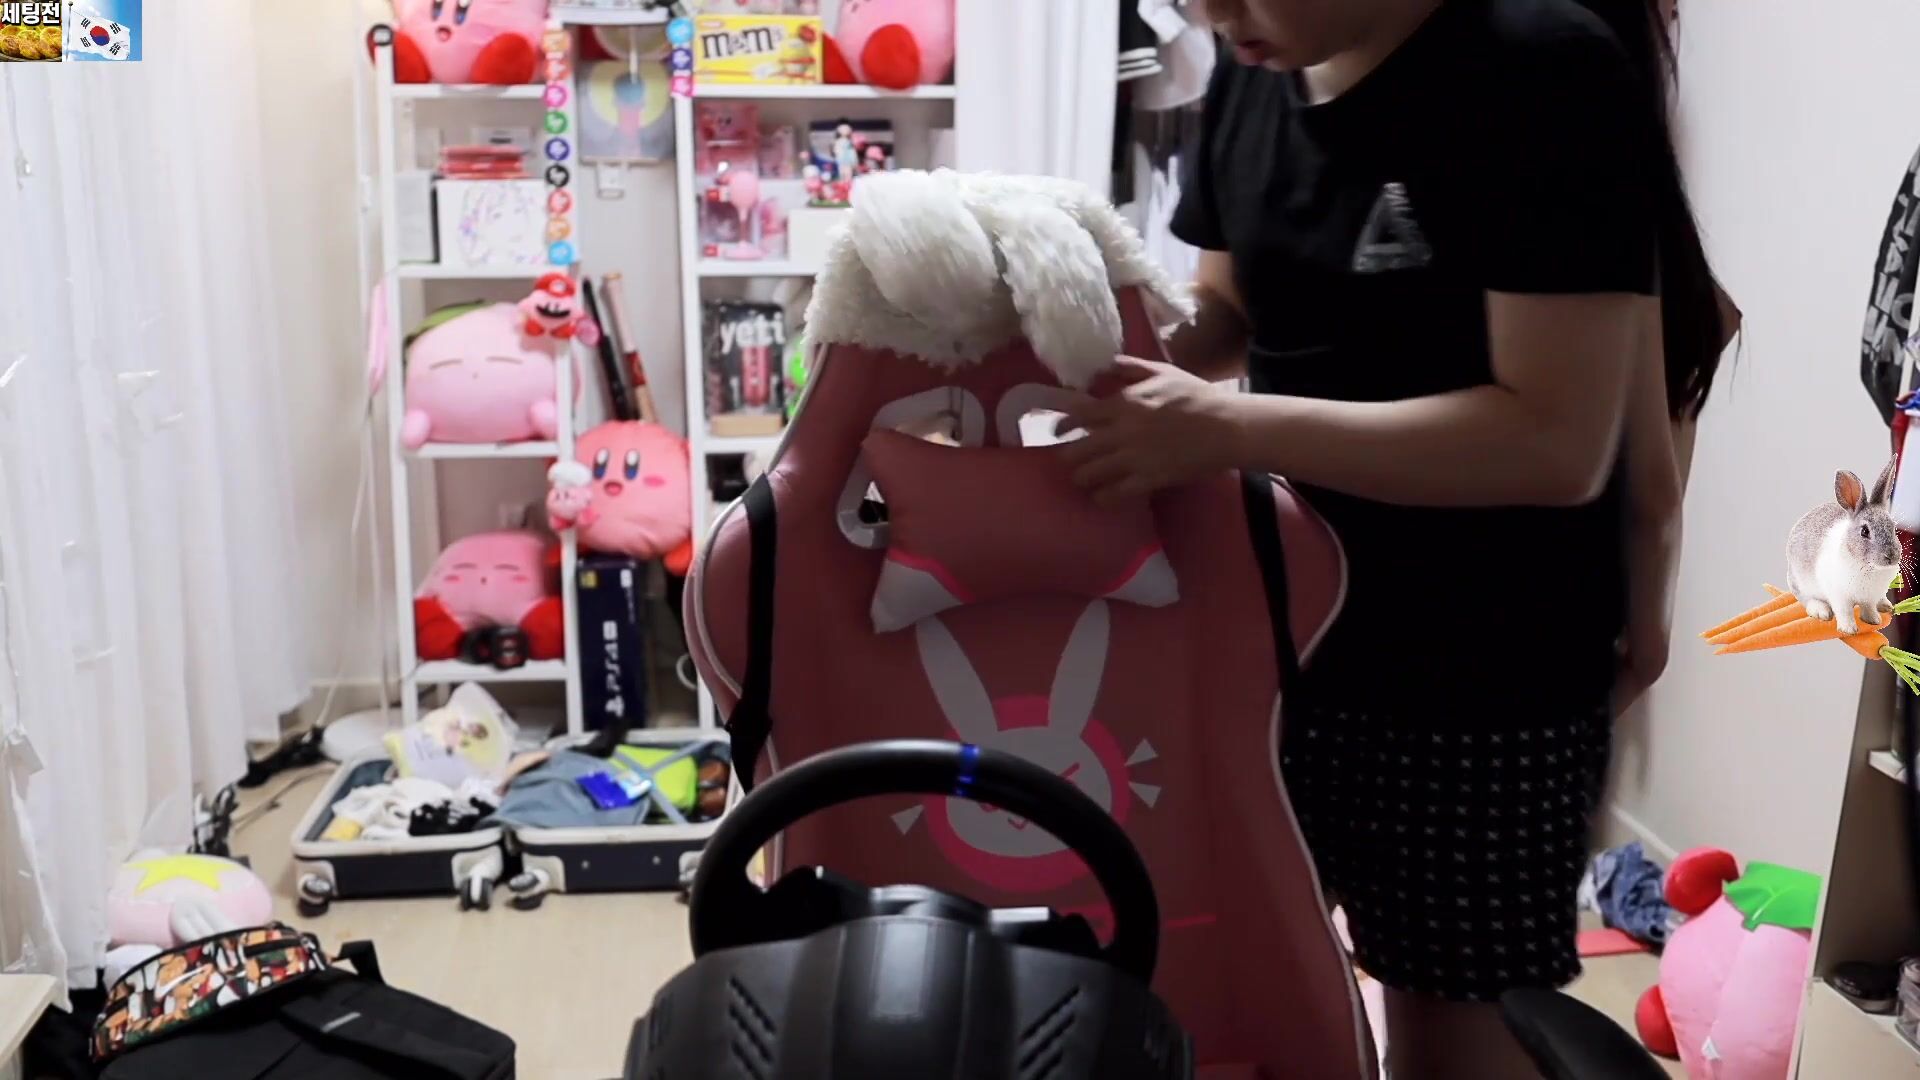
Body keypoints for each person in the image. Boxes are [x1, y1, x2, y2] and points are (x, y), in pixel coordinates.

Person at [1059, 0, 1738, 1076]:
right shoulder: (1253, 67)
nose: (1211, 13)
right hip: (1279, 641)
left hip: (1482, 677)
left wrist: (1227, 428)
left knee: (1447, 1029)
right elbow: (1231, 312)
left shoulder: (1541, 72)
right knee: (1226, 984)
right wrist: (1096, 355)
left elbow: (1553, 442)